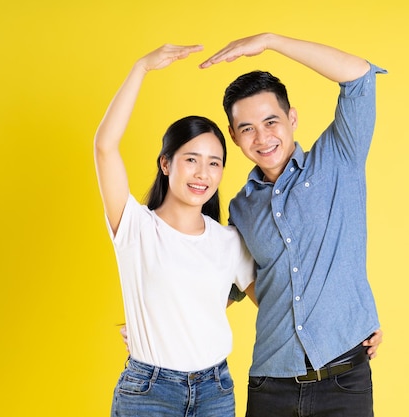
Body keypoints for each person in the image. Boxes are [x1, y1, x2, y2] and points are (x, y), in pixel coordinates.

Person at [198, 33, 386, 416]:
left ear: (292, 118)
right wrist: (152, 320)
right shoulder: (241, 208)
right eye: (247, 128)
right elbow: (229, 285)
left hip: (344, 380)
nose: (262, 137)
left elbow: (359, 75)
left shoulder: (339, 157)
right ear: (233, 136)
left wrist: (269, 41)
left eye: (271, 121)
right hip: (271, 385)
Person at [94, 43, 256, 417]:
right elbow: (105, 146)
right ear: (166, 164)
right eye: (191, 160)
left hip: (216, 391)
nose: (203, 173)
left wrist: (354, 328)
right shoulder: (135, 226)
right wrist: (141, 67)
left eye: (214, 163)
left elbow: (278, 301)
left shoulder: (229, 241)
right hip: (149, 392)